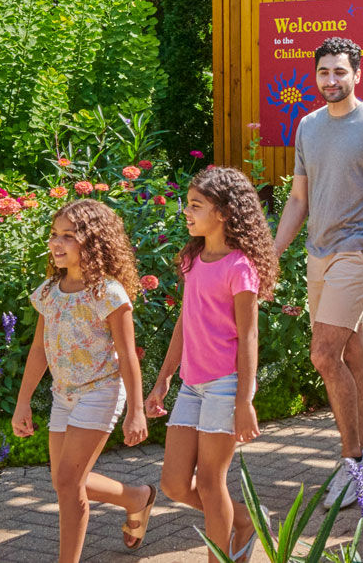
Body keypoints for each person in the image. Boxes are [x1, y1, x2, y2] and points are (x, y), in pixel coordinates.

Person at [270, 36, 363, 506]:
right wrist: (272, 253)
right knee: (351, 353)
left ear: (357, 75)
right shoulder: (308, 127)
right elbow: (297, 199)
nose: (331, 80)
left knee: (324, 355)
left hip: (362, 249)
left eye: (339, 72)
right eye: (324, 72)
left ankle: (352, 465)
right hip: (320, 251)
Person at [145, 166, 280, 562]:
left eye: (195, 205)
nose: (186, 212)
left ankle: (219, 557)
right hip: (191, 384)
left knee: (209, 482)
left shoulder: (240, 267)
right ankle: (246, 518)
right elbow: (184, 325)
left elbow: (249, 337)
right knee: (172, 483)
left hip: (224, 385)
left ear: (222, 212)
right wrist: (163, 380)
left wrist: (244, 400)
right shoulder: (193, 260)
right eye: (187, 204)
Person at [11, 199, 156, 561]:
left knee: (67, 483)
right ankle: (137, 498)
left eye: (69, 237)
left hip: (101, 392)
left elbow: (127, 355)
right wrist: (23, 401)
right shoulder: (49, 291)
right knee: (65, 481)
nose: (57, 244)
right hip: (64, 395)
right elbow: (40, 350)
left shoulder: (108, 292)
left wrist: (136, 411)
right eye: (54, 235)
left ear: (92, 242)